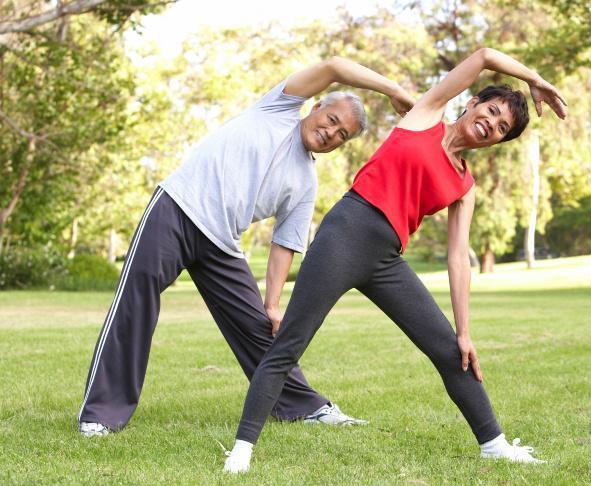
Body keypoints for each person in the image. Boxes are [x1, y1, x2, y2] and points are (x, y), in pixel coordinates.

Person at [223, 47, 568, 472]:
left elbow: (458, 260)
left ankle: (494, 444)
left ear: (497, 140)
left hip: (386, 258)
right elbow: (482, 57)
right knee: (289, 344)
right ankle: (241, 451)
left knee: (450, 351)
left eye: (501, 128)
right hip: (345, 234)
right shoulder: (426, 114)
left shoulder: (465, 184)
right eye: (492, 110)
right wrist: (534, 78)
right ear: (473, 102)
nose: (490, 124)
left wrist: (465, 332)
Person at [77, 57, 416, 436]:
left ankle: (304, 406)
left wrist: (272, 305)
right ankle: (101, 415)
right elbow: (335, 66)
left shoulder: (305, 182)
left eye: (342, 136)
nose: (331, 133)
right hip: (176, 208)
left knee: (260, 327)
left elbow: (285, 244)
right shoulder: (278, 107)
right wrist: (395, 90)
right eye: (333, 120)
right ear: (317, 106)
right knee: (136, 301)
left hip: (221, 242)